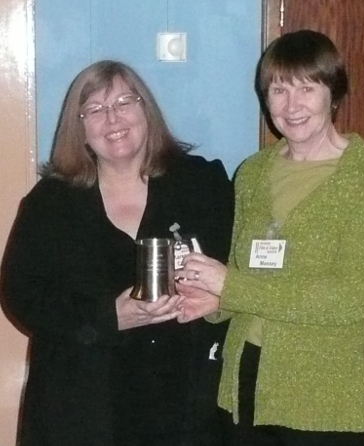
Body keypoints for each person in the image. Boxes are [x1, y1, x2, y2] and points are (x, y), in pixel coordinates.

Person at [176, 30, 364, 446]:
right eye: (278, 90)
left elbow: (352, 296)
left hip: (324, 396)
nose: (291, 106)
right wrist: (213, 301)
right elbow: (246, 274)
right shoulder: (253, 172)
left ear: (333, 93)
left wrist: (230, 286)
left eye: (306, 88)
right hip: (244, 383)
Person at [1, 60, 233, 446]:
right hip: (82, 408)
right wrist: (110, 317)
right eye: (95, 109)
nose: (113, 118)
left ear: (147, 111)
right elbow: (22, 297)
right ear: (80, 129)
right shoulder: (50, 203)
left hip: (184, 406)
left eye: (125, 101)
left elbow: (237, 271)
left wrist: (215, 296)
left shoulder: (201, 184)